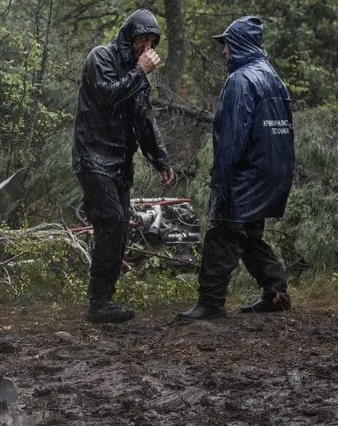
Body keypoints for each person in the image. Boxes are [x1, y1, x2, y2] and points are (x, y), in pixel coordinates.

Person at [177, 16, 295, 320]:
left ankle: (210, 303)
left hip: (246, 174)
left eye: (227, 45)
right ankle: (276, 293)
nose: (224, 52)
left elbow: (232, 137)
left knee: (222, 230)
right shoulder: (273, 77)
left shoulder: (241, 81)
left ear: (240, 44)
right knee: (249, 234)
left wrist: (222, 181)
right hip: (272, 174)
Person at [72, 9, 175, 323]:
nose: (146, 45)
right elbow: (106, 96)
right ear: (130, 36)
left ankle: (105, 300)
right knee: (113, 221)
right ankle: (98, 302)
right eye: (141, 38)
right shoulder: (100, 57)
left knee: (118, 228)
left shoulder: (137, 72)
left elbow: (144, 119)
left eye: (151, 41)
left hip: (121, 160)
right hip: (92, 156)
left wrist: (161, 160)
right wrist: (140, 72)